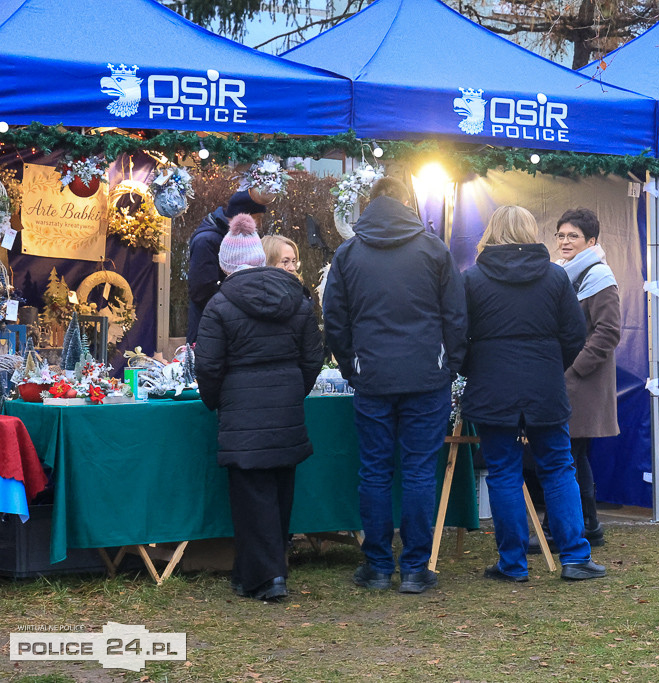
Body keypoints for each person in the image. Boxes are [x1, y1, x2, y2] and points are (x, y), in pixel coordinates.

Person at [322, 176, 467, 594]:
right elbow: (456, 316)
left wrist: (351, 367)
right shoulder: (433, 249)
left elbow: (335, 319)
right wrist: (450, 365)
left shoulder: (349, 253)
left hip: (372, 376)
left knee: (375, 471)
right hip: (427, 376)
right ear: (407, 203)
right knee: (420, 471)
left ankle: (379, 567)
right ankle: (416, 568)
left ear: (369, 203)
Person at [461, 205, 604, 582]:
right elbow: (575, 336)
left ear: (492, 232)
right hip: (545, 388)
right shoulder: (556, 277)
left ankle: (512, 564)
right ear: (530, 232)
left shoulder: (472, 279)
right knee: (558, 468)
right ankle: (575, 557)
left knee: (503, 473)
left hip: (492, 389)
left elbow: (457, 338)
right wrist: (551, 368)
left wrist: (474, 369)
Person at [194, 213, 323, 601]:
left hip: (242, 409)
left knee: (251, 497)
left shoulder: (219, 305)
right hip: (285, 407)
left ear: (226, 265)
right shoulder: (297, 299)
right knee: (281, 492)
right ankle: (257, 572)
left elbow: (208, 366)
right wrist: (293, 391)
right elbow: (312, 357)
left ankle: (267, 578)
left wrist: (217, 400)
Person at [534, 208, 619, 549]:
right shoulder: (563, 272)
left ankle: (564, 527)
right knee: (572, 453)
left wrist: (574, 369)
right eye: (561, 235)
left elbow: (608, 332)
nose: (565, 242)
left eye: (573, 236)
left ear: (591, 241)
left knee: (569, 453)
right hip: (567, 378)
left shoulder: (599, 276)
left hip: (583, 381)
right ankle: (586, 524)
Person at [187, 190, 268, 344]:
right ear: (242, 218)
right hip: (209, 330)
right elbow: (201, 292)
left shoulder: (224, 236)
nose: (260, 224)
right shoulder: (206, 241)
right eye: (257, 218)